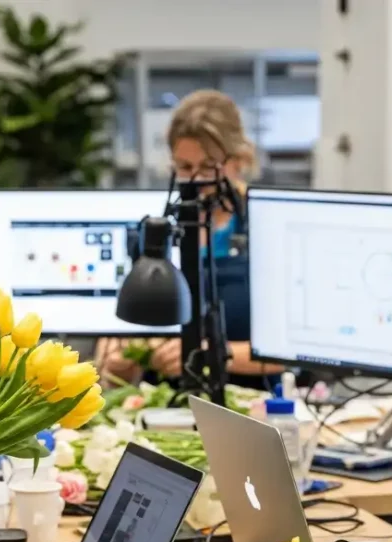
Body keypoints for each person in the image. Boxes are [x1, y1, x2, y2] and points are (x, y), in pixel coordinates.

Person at [97, 89, 281, 390]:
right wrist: (126, 358)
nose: (196, 180)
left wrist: (216, 355)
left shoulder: (266, 230)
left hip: (251, 403)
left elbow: (294, 354)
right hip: (162, 406)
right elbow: (116, 344)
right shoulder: (154, 233)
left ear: (239, 160)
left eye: (209, 167)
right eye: (184, 168)